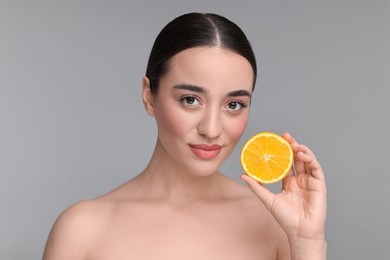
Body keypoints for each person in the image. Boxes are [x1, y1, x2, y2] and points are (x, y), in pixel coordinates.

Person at [43, 12, 327, 259]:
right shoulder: (82, 230)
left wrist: (306, 242)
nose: (212, 129)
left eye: (234, 105)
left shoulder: (274, 224)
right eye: (191, 100)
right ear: (149, 96)